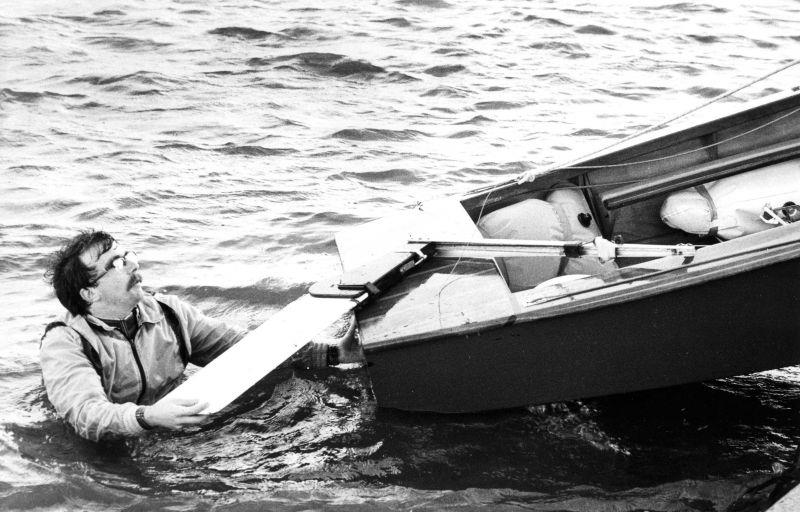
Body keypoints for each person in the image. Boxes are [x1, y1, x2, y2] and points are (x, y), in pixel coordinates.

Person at [40, 230, 352, 442]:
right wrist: (148, 417)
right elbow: (86, 415)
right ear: (89, 292)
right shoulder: (65, 342)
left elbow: (249, 349)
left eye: (128, 255)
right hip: (106, 450)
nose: (134, 265)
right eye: (117, 264)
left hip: (168, 425)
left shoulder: (167, 312)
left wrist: (335, 353)